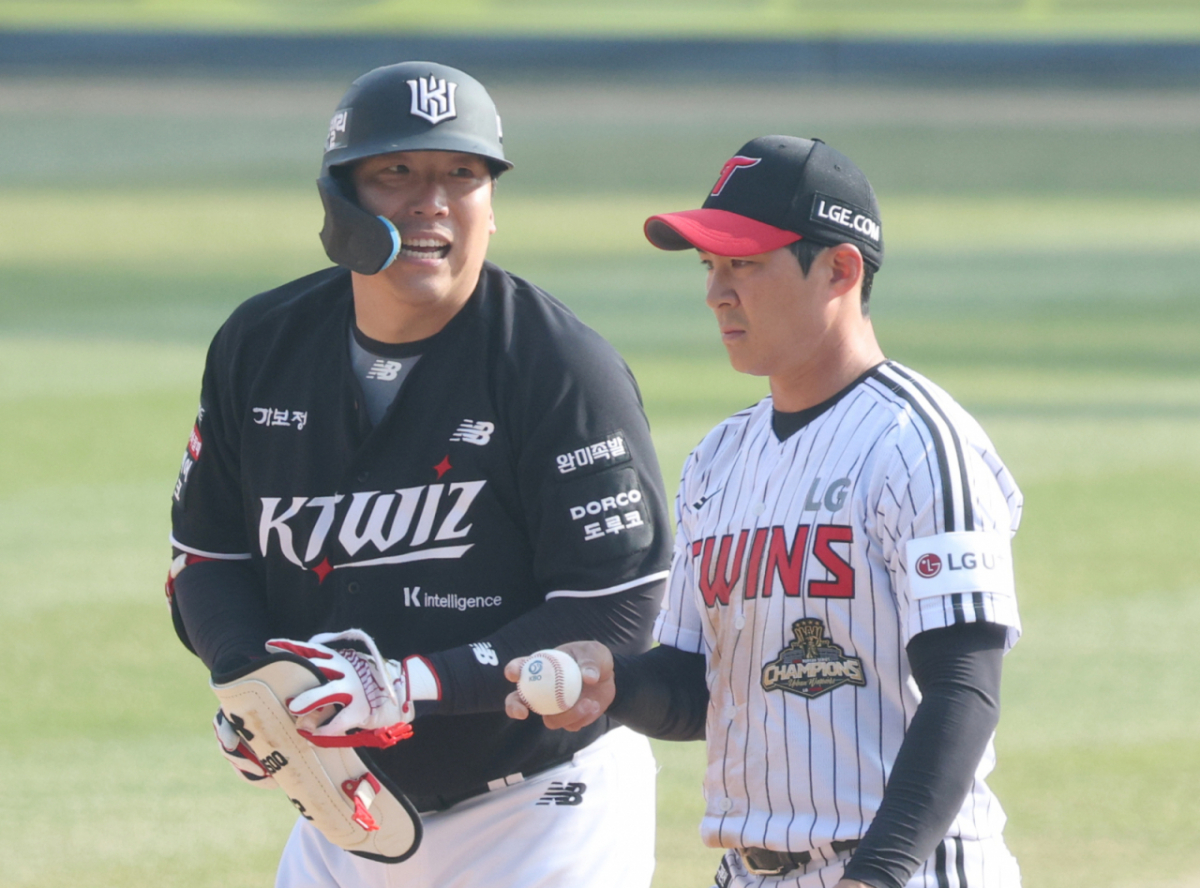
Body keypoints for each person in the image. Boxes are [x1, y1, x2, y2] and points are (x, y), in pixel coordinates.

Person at [166, 61, 671, 888]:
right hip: (348, 807)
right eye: (396, 172)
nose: (432, 201)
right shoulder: (261, 346)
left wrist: (406, 687)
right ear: (340, 200)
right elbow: (208, 557)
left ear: (491, 205)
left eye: (462, 174)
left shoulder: (557, 368)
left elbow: (615, 607)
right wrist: (257, 693)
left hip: (544, 805)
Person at [505, 135, 1024, 888]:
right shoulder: (719, 458)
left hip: (910, 869)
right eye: (709, 266)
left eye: (743, 264)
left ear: (840, 269)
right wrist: (616, 683)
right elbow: (696, 687)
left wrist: (876, 876)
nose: (717, 293)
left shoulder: (918, 444)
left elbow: (964, 691)